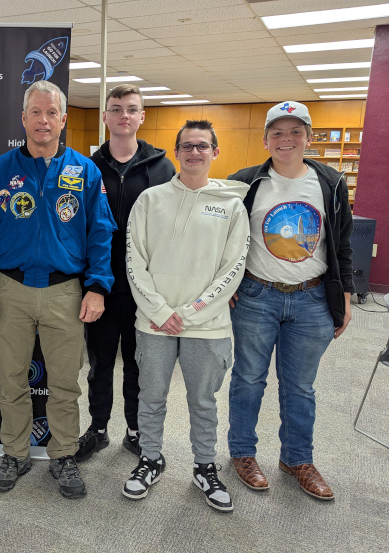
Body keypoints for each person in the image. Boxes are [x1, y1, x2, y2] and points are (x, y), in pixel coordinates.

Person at [0, 80, 116, 499]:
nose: (43, 120)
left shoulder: (85, 171)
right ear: (23, 118)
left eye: (51, 113)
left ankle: (63, 454)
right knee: (11, 380)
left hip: (65, 292)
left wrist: (98, 287)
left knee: (65, 382)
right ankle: (15, 453)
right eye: (36, 112)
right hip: (9, 290)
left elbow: (100, 233)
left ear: (63, 119)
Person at [227, 101, 353, 501]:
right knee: (248, 379)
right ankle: (242, 453)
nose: (287, 139)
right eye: (277, 132)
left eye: (295, 132)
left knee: (300, 387)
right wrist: (226, 282)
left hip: (312, 299)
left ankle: (297, 459)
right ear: (265, 139)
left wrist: (345, 297)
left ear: (309, 137)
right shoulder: (244, 182)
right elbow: (224, 239)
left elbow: (343, 244)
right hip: (255, 296)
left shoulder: (330, 182)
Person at [123, 120, 250, 512]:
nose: (195, 152)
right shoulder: (150, 200)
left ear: (215, 152)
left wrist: (191, 311)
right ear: (176, 152)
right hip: (154, 322)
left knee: (203, 401)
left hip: (208, 326)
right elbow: (134, 260)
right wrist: (161, 311)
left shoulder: (232, 205)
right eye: (188, 146)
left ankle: (204, 466)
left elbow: (234, 268)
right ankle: (150, 459)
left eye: (203, 146)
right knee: (151, 396)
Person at [77, 84, 175, 462]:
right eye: (116, 109)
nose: (124, 115)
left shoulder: (162, 168)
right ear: (105, 116)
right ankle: (98, 429)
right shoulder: (86, 168)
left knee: (138, 365)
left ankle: (135, 431)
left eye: (131, 109)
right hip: (98, 286)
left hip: (143, 289)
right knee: (100, 363)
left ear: (141, 117)